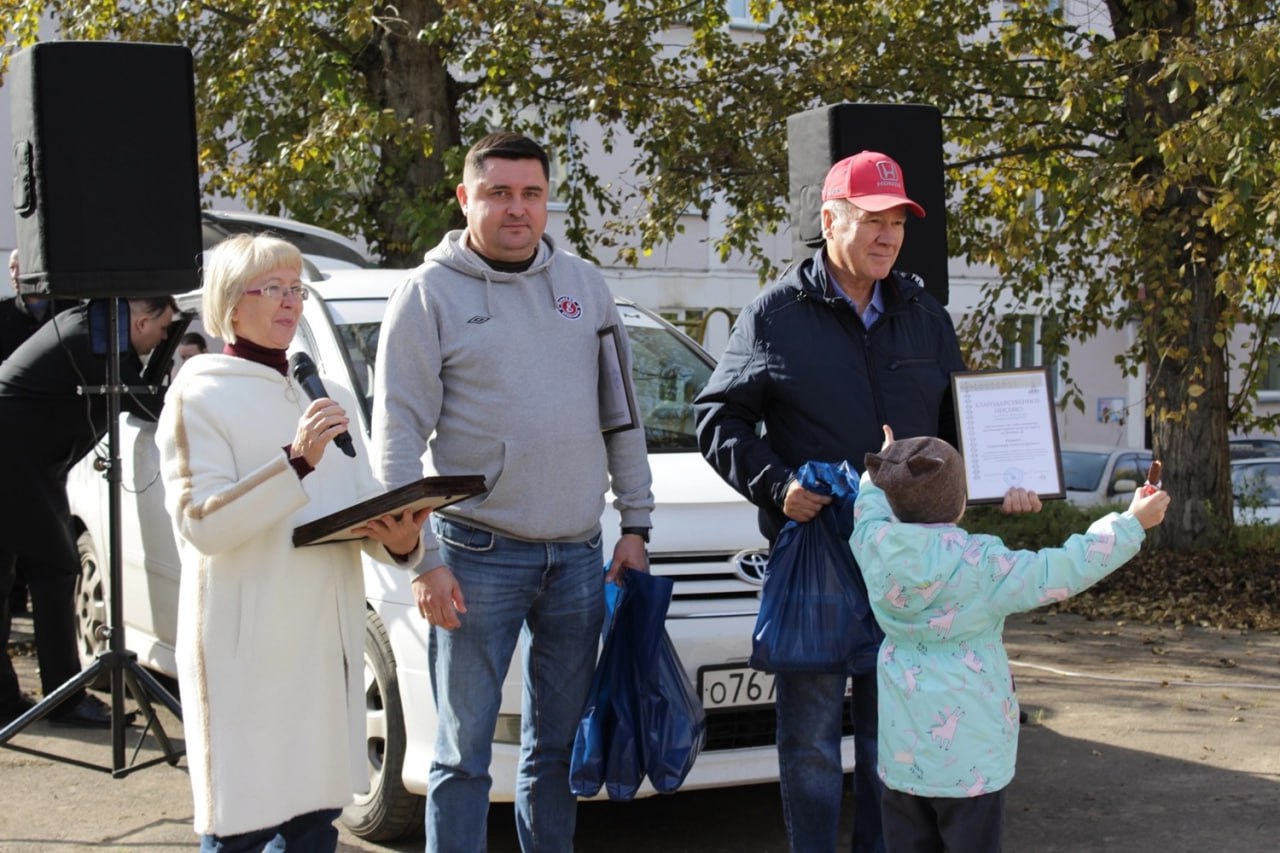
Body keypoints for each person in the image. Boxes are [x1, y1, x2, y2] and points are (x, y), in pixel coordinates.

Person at [694, 150, 1040, 853]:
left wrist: (1007, 478)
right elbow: (717, 418)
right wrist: (776, 485)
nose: (887, 236)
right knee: (814, 745)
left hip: (912, 567)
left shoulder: (924, 315)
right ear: (829, 220)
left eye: (898, 223)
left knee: (898, 744)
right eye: (871, 220)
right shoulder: (775, 316)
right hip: (820, 559)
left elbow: (957, 430)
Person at [372, 131, 654, 853]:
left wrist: (636, 524)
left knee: (555, 754)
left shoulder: (585, 287)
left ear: (547, 200)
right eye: (497, 193)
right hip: (474, 556)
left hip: (577, 557)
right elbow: (397, 438)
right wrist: (422, 555)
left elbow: (620, 412)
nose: (516, 208)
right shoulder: (427, 293)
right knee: (462, 757)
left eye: (530, 193)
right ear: (466, 199)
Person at [156, 234, 430, 850]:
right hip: (247, 653)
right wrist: (296, 463)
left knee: (313, 828)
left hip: (322, 648)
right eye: (272, 288)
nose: (290, 302)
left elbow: (357, 500)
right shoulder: (198, 393)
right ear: (230, 306)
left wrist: (399, 538)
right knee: (243, 831)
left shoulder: (318, 391)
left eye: (296, 289)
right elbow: (201, 522)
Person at [851, 428, 1169, 852]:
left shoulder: (872, 544)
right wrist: (1131, 523)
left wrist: (884, 465)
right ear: (960, 503)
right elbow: (1065, 567)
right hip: (973, 764)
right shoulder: (982, 566)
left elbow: (868, 503)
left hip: (903, 760)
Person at [0, 293, 176, 727]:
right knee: (57, 569)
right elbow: (149, 405)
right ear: (141, 322)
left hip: (24, 462)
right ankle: (63, 699)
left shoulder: (95, 325)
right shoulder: (99, 341)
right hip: (16, 461)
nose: (163, 338)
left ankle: (7, 699)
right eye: (164, 328)